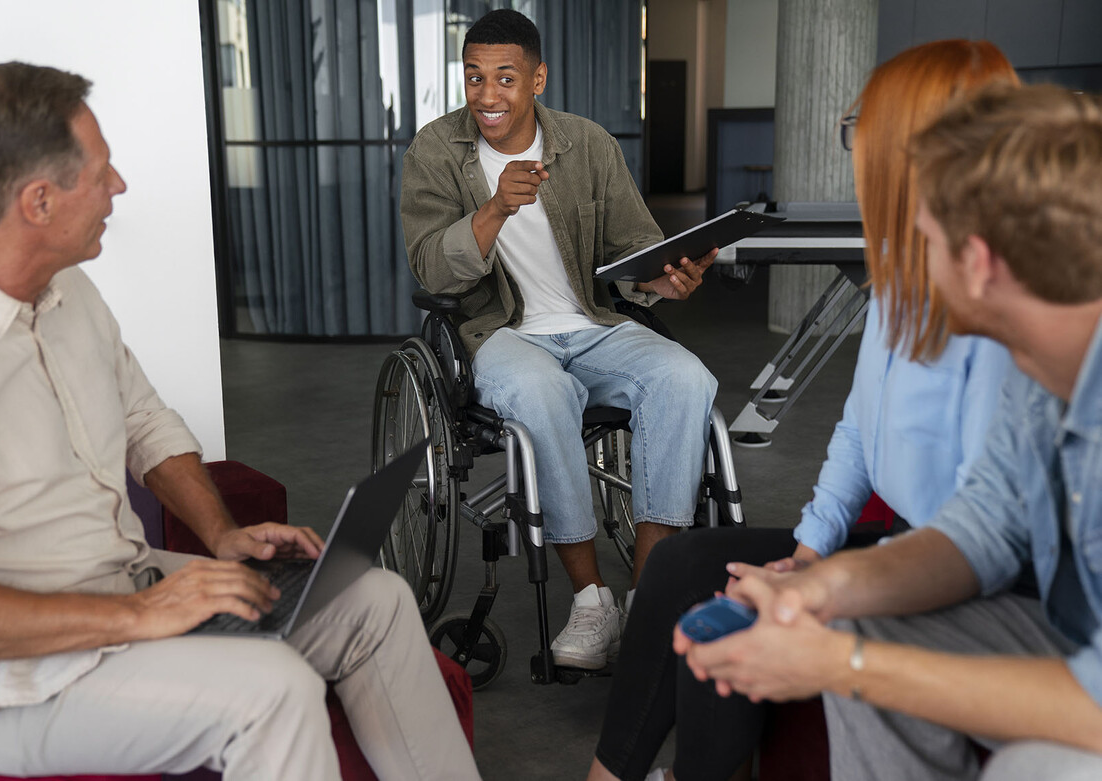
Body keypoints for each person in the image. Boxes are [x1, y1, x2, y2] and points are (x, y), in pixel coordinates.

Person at [0, 62, 479, 780]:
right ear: (38, 201)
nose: (119, 186)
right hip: (4, 682)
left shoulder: (69, 289)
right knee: (272, 692)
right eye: (101, 172)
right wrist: (140, 615)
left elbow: (145, 421)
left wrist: (221, 536)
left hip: (123, 585)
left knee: (370, 597)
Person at [588, 40, 1018, 781]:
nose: (855, 153)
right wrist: (813, 550)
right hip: (892, 545)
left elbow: (978, 528)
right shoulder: (903, 271)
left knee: (738, 605)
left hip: (950, 566)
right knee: (685, 565)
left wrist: (820, 584)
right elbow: (856, 430)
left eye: (864, 133)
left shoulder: (1001, 306)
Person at [680, 82, 1102, 780]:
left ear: (978, 261)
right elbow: (982, 532)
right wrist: (823, 588)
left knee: (1036, 767)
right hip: (1067, 629)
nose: (904, 255)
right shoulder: (1039, 369)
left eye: (925, 236)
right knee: (852, 619)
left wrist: (843, 664)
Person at [400, 8, 718, 670]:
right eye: (475, 78)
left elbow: (636, 250)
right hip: (499, 333)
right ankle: (592, 599)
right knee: (545, 391)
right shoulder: (436, 150)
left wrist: (666, 279)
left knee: (687, 377)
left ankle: (650, 594)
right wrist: (493, 208)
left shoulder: (587, 144)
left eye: (506, 78)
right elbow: (430, 266)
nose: (488, 96)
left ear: (538, 78)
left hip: (593, 323)